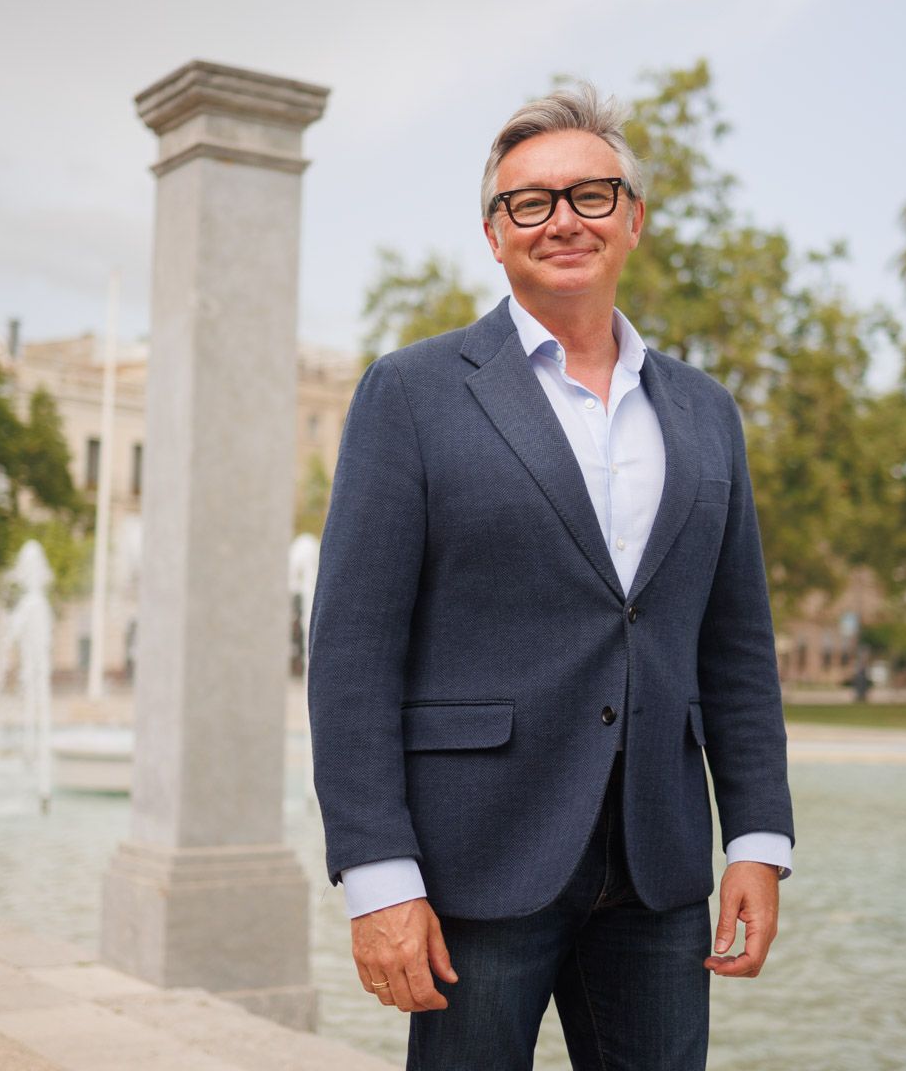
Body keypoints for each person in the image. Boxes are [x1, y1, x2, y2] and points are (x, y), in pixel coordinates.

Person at [308, 83, 794, 1070]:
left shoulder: (705, 412)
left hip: (659, 869)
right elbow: (352, 656)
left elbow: (736, 646)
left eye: (591, 195)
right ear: (495, 235)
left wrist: (756, 840)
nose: (563, 220)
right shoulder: (411, 394)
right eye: (530, 202)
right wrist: (378, 876)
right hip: (477, 866)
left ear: (634, 218)